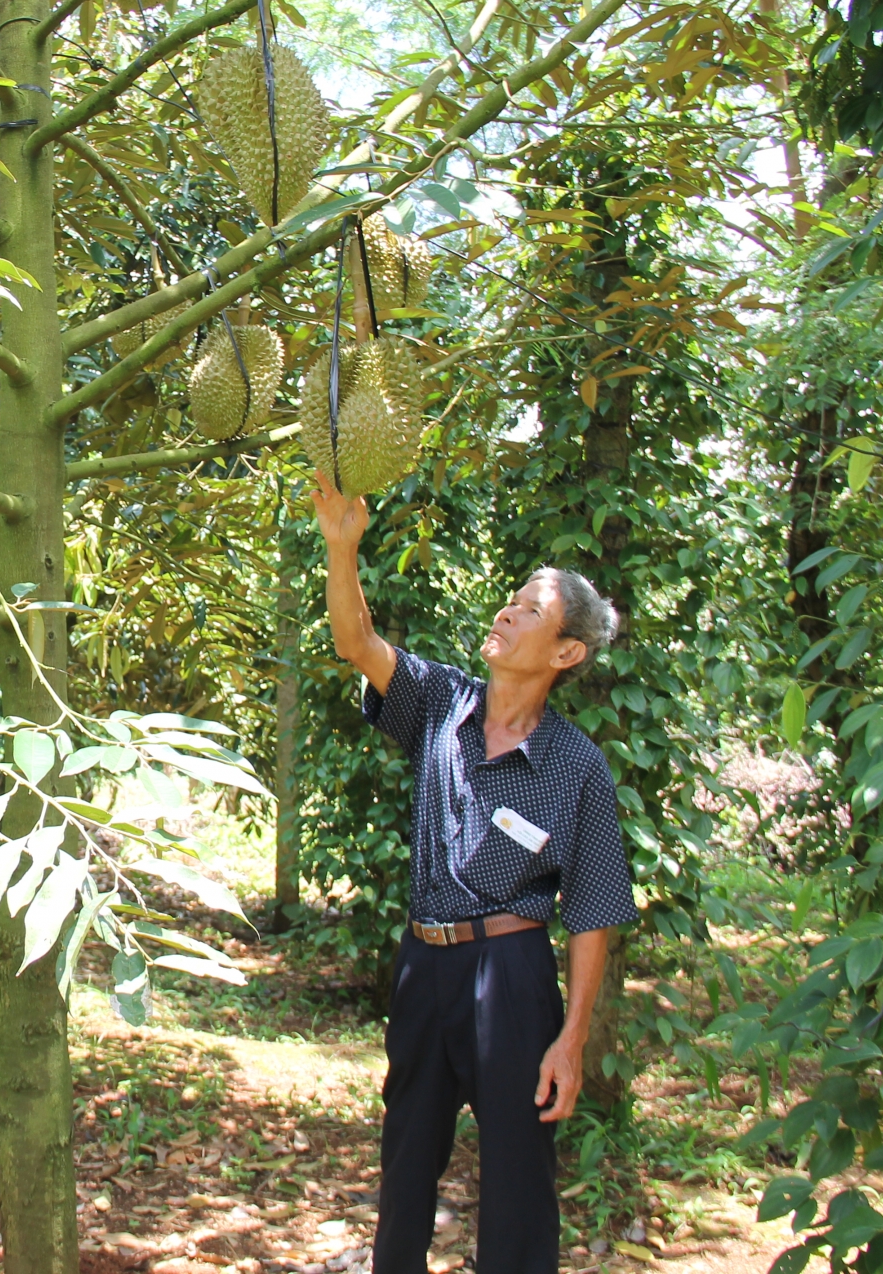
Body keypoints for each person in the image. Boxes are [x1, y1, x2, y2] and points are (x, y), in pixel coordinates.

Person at [310, 472, 638, 1274]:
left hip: (513, 974)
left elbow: (594, 909)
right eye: (509, 600)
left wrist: (571, 1040)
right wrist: (342, 549)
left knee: (520, 1187)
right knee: (405, 1167)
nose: (506, 612)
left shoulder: (576, 765)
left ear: (565, 652)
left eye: (529, 609)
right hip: (424, 966)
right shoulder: (440, 703)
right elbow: (357, 643)